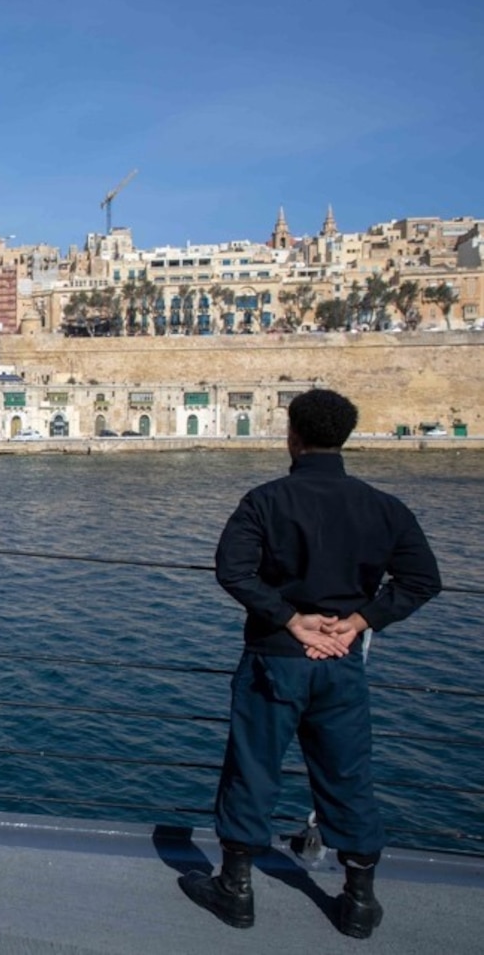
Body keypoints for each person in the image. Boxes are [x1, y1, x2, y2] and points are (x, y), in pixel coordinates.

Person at [181, 388, 440, 938]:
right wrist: (358, 622)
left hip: (275, 657)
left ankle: (236, 889)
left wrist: (291, 618)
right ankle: (359, 902)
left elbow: (233, 570)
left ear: (292, 436)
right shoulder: (384, 507)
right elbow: (422, 580)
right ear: (342, 437)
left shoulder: (265, 500)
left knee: (253, 768)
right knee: (348, 773)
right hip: (342, 662)